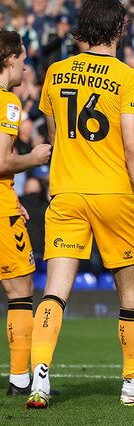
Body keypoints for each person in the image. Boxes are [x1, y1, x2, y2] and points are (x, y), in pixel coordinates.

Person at [27, 0, 134, 409]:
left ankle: (40, 381)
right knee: (130, 296)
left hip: (66, 193)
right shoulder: (129, 77)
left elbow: (55, 137)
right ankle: (132, 385)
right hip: (113, 194)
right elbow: (133, 147)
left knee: (54, 292)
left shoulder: (55, 72)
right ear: (119, 28)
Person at [0, 31, 51, 396]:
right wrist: (32, 159)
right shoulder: (8, 103)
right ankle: (21, 380)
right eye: (23, 58)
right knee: (20, 291)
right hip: (0, 212)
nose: (25, 65)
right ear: (10, 60)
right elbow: (1, 160)